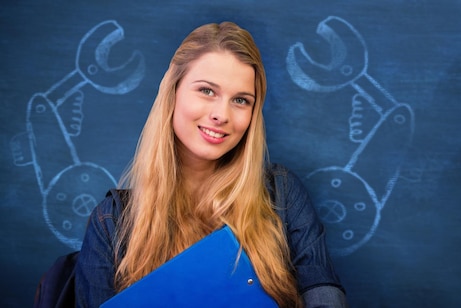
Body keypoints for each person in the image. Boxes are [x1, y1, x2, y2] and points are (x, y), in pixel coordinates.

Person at [74, 21, 346, 307]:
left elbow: (324, 295)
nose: (221, 114)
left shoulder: (282, 194)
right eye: (206, 91)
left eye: (241, 100)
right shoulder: (112, 222)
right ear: (173, 91)